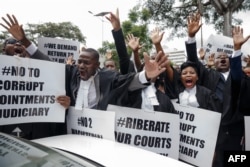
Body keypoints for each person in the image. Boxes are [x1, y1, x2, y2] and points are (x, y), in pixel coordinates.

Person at [1, 13, 168, 112]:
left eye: (86, 63)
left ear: (96, 65)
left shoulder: (108, 78)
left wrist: (146, 75)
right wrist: (24, 40)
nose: (81, 65)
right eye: (80, 61)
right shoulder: (71, 73)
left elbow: (129, 82)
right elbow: (47, 63)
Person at [185, 11, 250, 167]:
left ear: (232, 60)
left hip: (236, 132)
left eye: (226, 57)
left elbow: (236, 79)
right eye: (219, 57)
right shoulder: (207, 75)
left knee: (234, 161)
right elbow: (193, 61)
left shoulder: (241, 77)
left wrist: (237, 49)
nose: (222, 58)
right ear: (213, 63)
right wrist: (191, 37)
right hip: (211, 131)